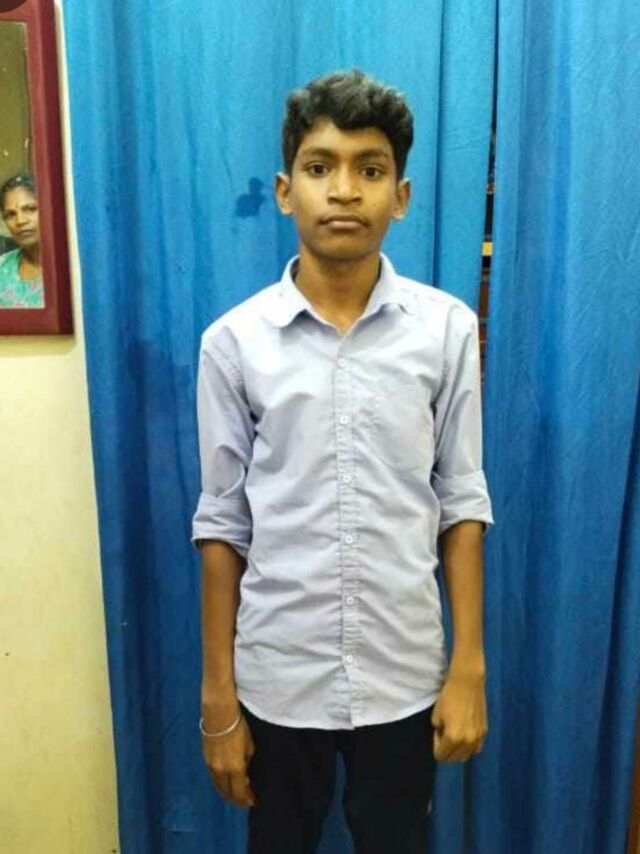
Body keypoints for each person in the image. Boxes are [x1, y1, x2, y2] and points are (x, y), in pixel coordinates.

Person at [192, 69, 494, 854]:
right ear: (285, 190)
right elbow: (222, 522)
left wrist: (468, 667)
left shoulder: (446, 331)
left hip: (403, 673)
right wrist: (218, 696)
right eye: (321, 167)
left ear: (402, 195)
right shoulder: (234, 343)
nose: (345, 190)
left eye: (371, 168)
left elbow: (462, 498)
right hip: (277, 675)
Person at [0, 173, 44, 309]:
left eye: (30, 209)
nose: (20, 221)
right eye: (10, 215)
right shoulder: (2, 268)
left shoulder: (73, 266)